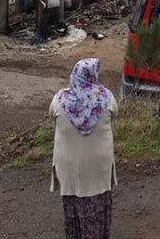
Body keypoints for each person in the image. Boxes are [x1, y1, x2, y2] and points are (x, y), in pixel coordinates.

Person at [49, 58, 117, 239]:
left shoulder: (59, 99)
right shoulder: (107, 98)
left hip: (69, 170)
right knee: (98, 209)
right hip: (98, 170)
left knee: (72, 211)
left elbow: (51, 116)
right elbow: (115, 113)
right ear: (93, 75)